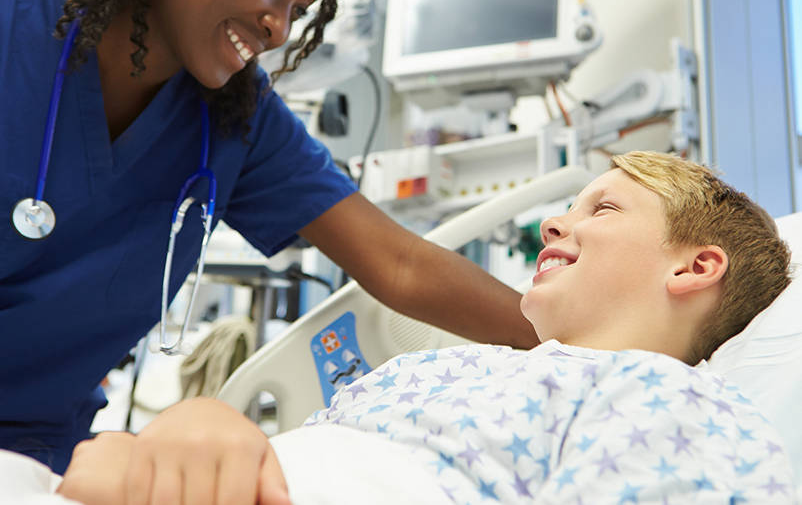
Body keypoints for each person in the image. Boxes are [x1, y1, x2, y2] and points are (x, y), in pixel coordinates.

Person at [0, 0, 537, 475]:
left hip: (34, 458)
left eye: (299, 10)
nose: (279, 28)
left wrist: (604, 345)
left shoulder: (236, 119)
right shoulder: (12, 21)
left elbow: (400, 263)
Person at [53, 151, 796, 505]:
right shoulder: (443, 371)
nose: (551, 221)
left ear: (696, 268)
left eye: (602, 209)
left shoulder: (670, 401)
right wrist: (200, 426)